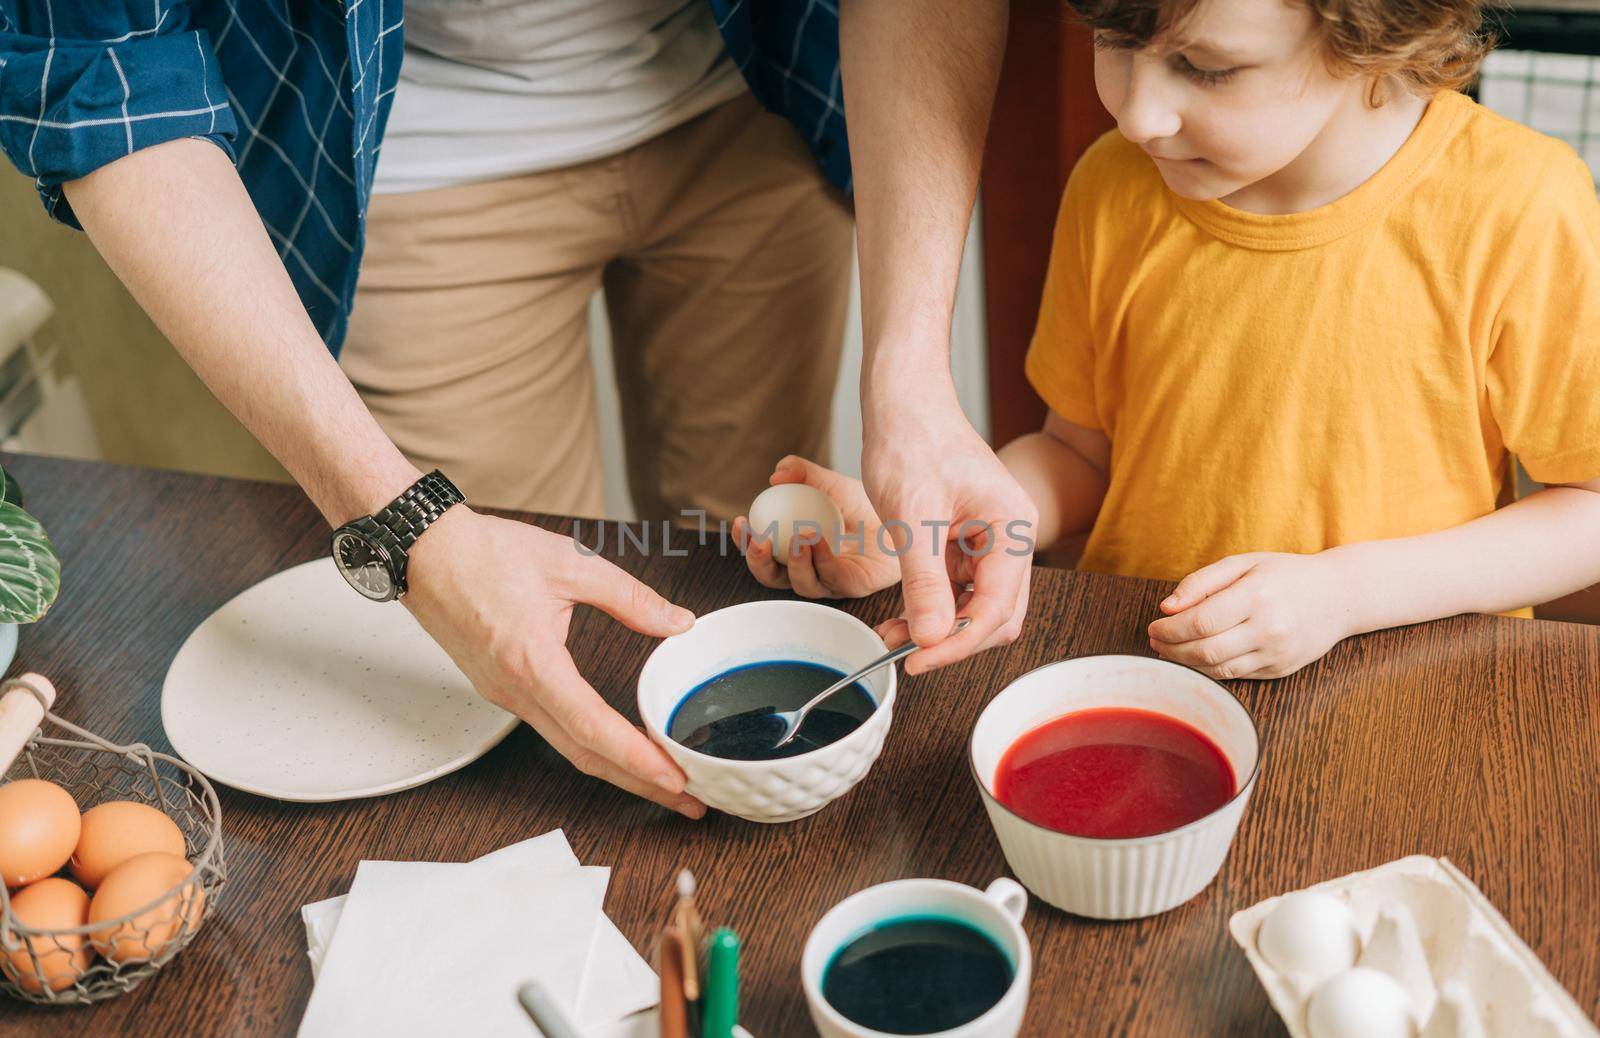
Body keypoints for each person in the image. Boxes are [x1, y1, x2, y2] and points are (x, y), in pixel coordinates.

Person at [0, 2, 1035, 816]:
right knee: (518, 682)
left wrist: (912, 382)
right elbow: (103, 70)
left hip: (756, 95)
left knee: (767, 556)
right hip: (408, 158)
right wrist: (407, 527)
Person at [740, 0, 1600, 680]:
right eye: (1113, 38)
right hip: (1138, 678)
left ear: (1373, 25)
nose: (1141, 113)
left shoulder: (1523, 208)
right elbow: (1079, 455)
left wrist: (1347, 594)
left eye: (1204, 67)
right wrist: (927, 531)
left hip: (1399, 700)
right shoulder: (1114, 184)